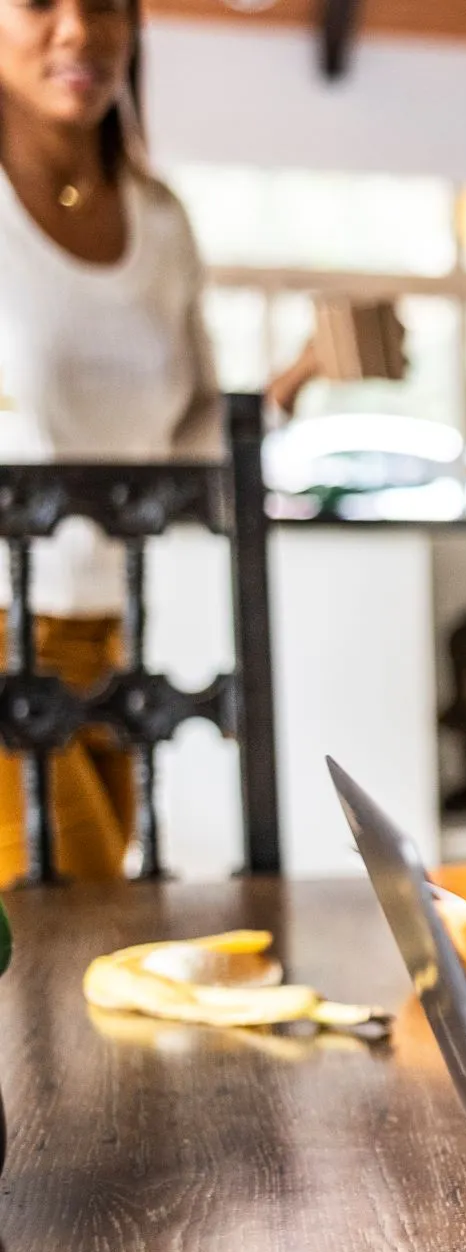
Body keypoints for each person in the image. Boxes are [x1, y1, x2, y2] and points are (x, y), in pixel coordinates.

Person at [0, 0, 212, 882]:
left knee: (94, 919)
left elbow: (197, 436)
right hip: (0, 622)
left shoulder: (162, 222)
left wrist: (304, 372)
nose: (81, 30)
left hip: (112, 628)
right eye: (41, 0)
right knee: (74, 912)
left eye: (108, 4)